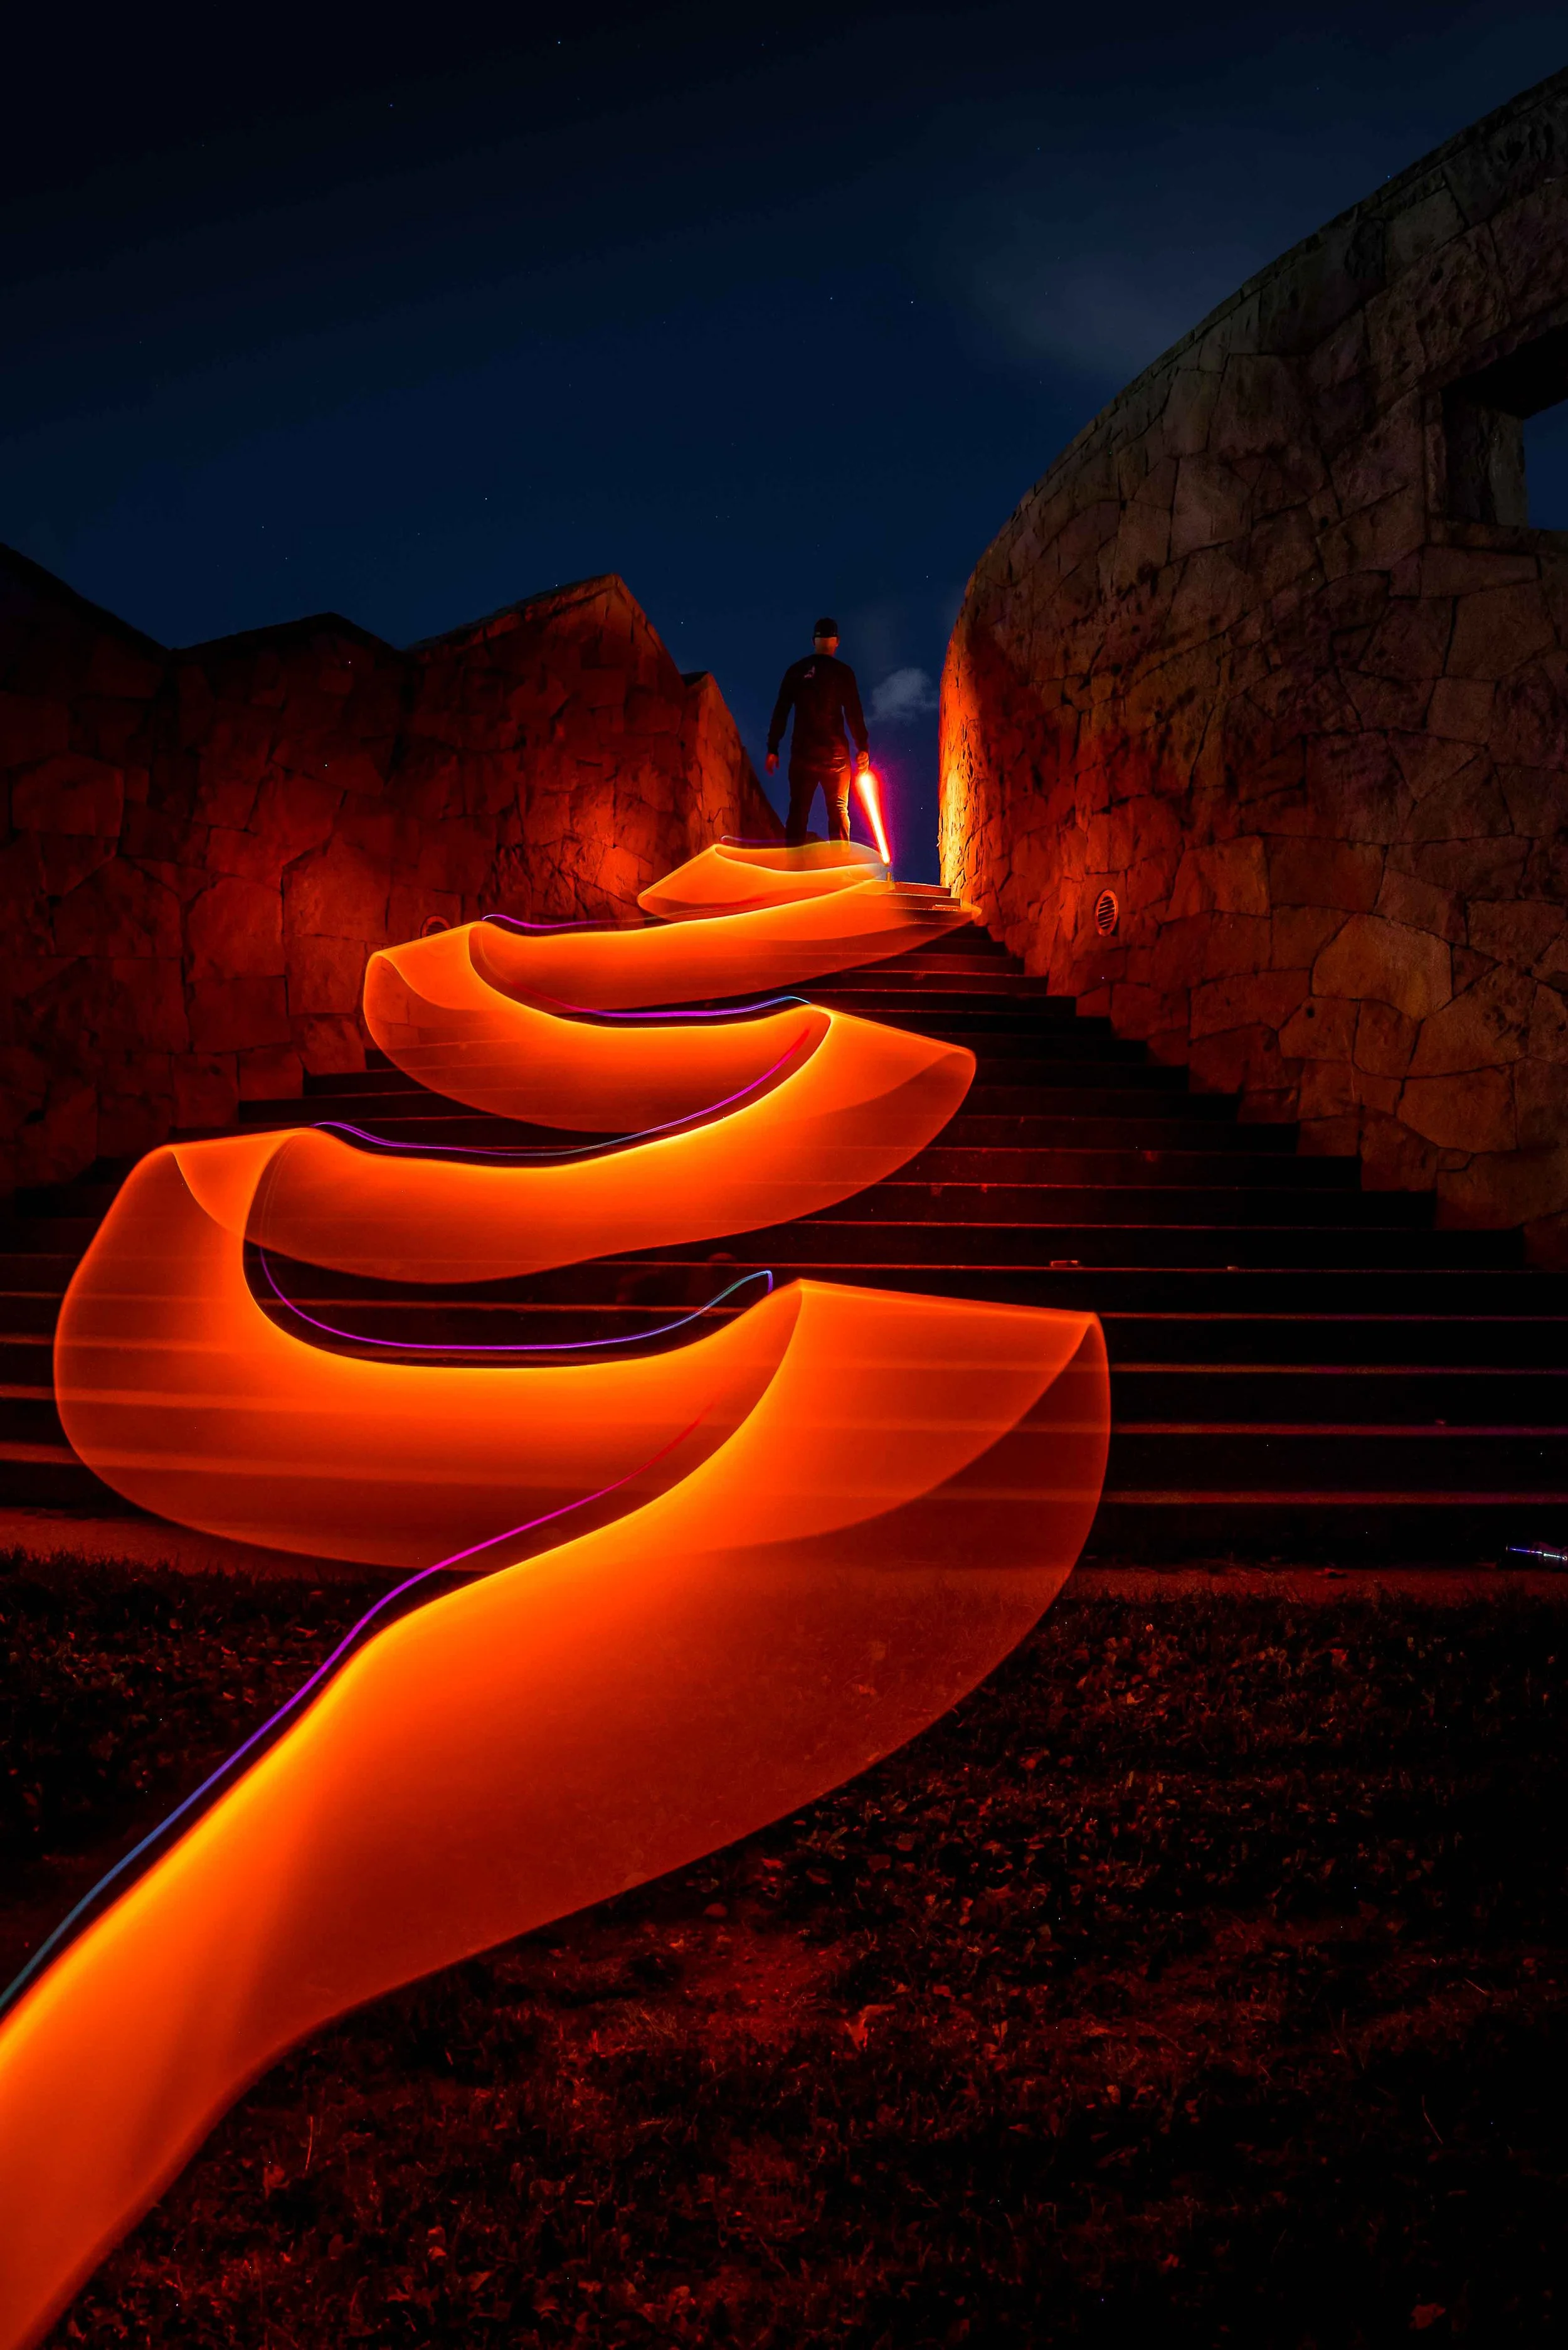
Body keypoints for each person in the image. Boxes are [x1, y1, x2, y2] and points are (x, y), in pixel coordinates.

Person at [766, 617, 871, 848]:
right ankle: (841, 866)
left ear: (814, 641)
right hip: (836, 757)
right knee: (839, 810)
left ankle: (793, 864)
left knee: (798, 811)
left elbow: (781, 710)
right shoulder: (844, 673)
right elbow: (854, 713)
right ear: (837, 642)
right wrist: (862, 747)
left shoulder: (796, 670)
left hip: (804, 754)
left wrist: (773, 748)